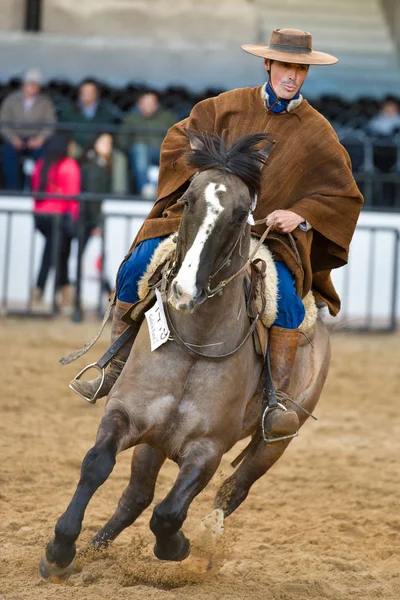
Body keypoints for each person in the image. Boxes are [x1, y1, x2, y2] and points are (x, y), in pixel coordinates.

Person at [71, 29, 363, 440]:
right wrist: (211, 188)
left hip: (266, 238)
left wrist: (299, 214)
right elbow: (179, 141)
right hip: (206, 220)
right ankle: (111, 367)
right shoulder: (224, 107)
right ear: (268, 64)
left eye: (300, 68)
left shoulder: (317, 132)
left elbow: (343, 193)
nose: (292, 76)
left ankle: (276, 403)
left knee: (288, 308)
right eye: (285, 66)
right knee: (137, 263)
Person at [32, 132, 80, 313]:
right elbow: (72, 198)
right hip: (59, 217)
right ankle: (48, 291)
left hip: (41, 216)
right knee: (57, 253)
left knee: (57, 251)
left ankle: (51, 292)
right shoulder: (69, 165)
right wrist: (74, 221)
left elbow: (36, 194)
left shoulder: (41, 164)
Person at [0, 68, 56, 190]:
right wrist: (12, 138)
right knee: (7, 155)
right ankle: (13, 190)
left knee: (44, 158)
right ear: (23, 85)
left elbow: (50, 124)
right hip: (14, 139)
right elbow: (3, 123)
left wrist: (40, 138)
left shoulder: (45, 103)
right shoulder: (11, 100)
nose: (32, 87)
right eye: (30, 84)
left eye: (35, 85)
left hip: (36, 141)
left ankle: (38, 190)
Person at [116, 91, 177, 196]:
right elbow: (122, 140)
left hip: (162, 151)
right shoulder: (131, 118)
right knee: (140, 150)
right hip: (138, 153)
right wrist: (131, 148)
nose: (149, 106)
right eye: (146, 103)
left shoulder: (167, 117)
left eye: (152, 103)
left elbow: (178, 136)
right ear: (139, 104)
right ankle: (145, 189)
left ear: (157, 105)